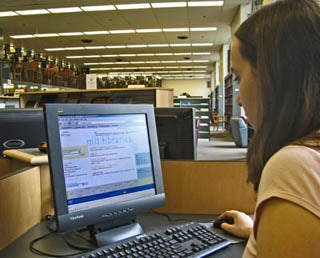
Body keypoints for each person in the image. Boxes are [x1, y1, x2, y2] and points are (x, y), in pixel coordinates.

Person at [216, 0, 320, 257]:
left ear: (272, 76)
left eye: (239, 78)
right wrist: (260, 232)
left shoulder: (293, 166)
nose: (238, 99)